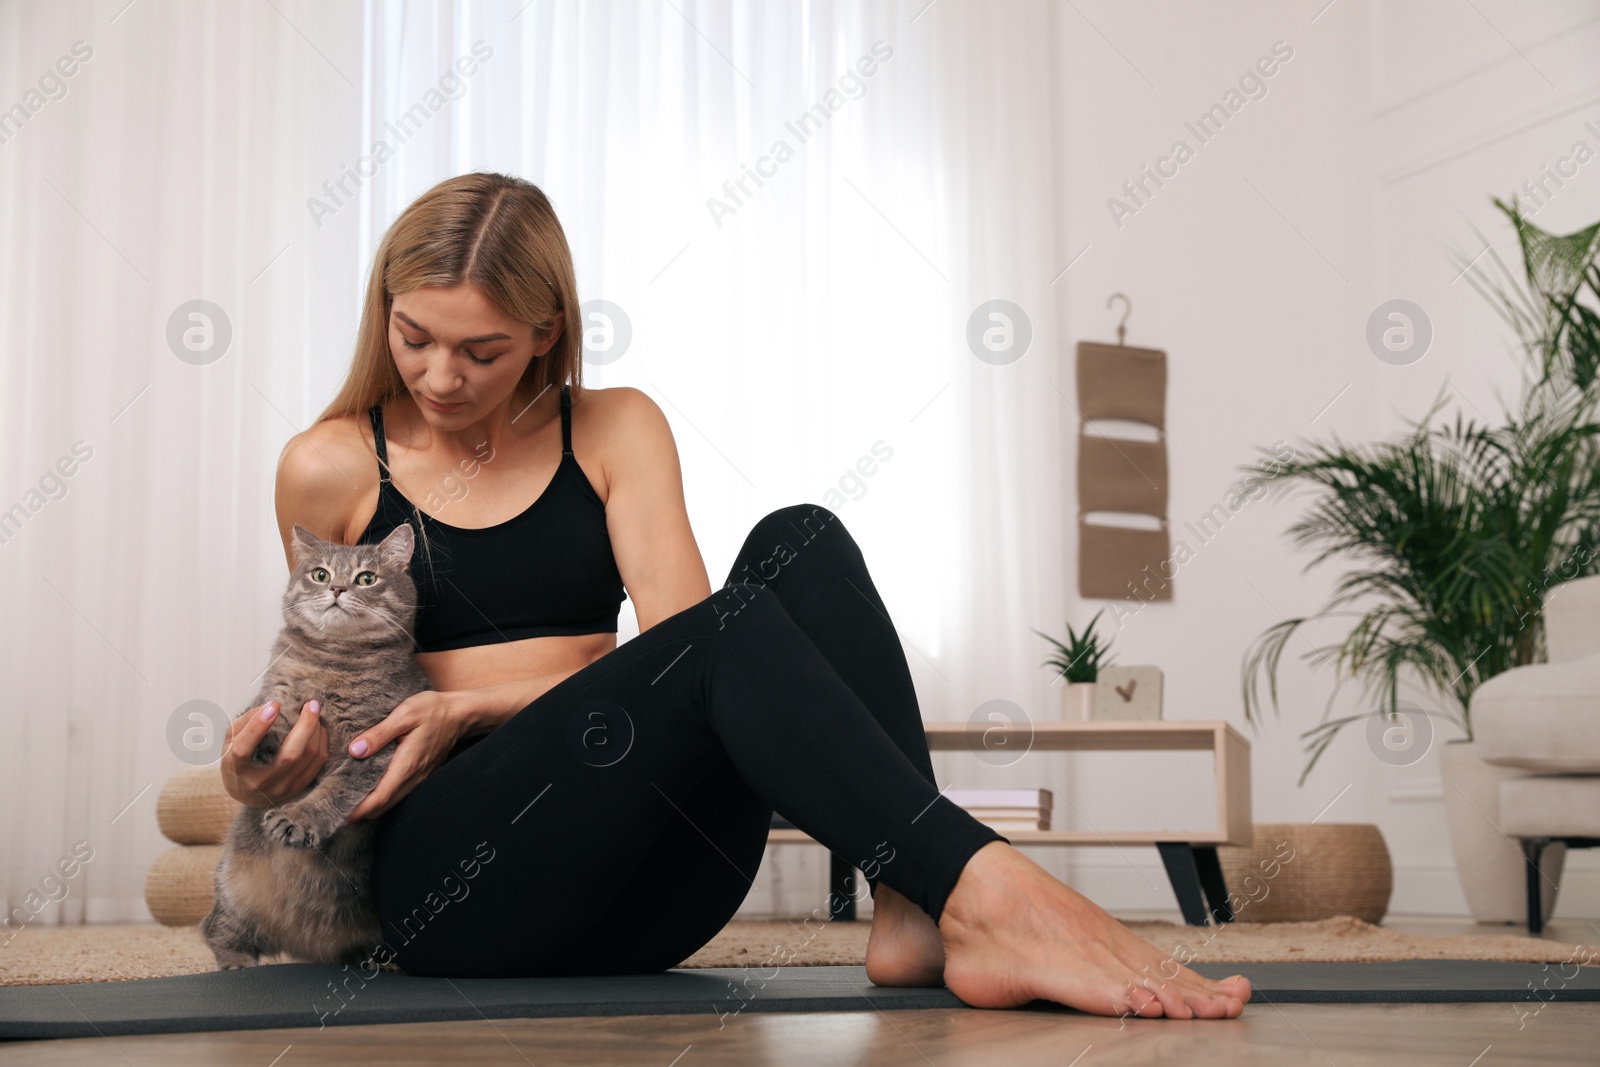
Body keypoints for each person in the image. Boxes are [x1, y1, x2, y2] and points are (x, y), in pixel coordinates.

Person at [218, 172, 1251, 1020]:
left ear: (545, 331)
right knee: (717, 637)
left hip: (656, 883)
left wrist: (474, 699)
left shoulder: (615, 428)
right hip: (462, 885)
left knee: (798, 538)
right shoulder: (331, 463)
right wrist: (269, 777)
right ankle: (990, 887)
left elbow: (684, 652)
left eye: (480, 350)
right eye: (414, 339)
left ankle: (913, 907)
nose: (441, 376)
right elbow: (330, 681)